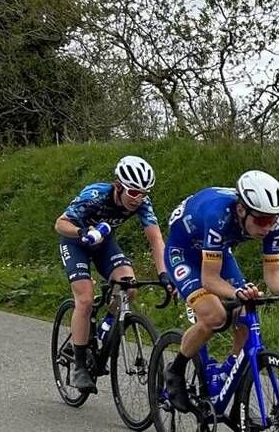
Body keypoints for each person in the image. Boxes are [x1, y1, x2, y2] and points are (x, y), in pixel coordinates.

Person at [161, 170, 279, 412]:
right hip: (183, 252)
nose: (268, 227)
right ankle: (176, 370)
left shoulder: (273, 225)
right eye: (262, 220)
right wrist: (236, 292)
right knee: (215, 316)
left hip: (217, 250)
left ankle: (229, 380)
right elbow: (209, 278)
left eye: (273, 220)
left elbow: (272, 274)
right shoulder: (218, 215)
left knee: (245, 312)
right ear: (242, 210)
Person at [53, 155, 174, 393]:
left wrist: (164, 274)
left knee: (129, 287)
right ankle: (79, 364)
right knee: (85, 299)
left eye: (144, 193)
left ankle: (102, 330)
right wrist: (82, 233)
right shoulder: (95, 195)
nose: (138, 199)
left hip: (104, 243)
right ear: (118, 185)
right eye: (133, 192)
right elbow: (60, 224)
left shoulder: (142, 203)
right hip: (76, 240)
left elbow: (156, 239)